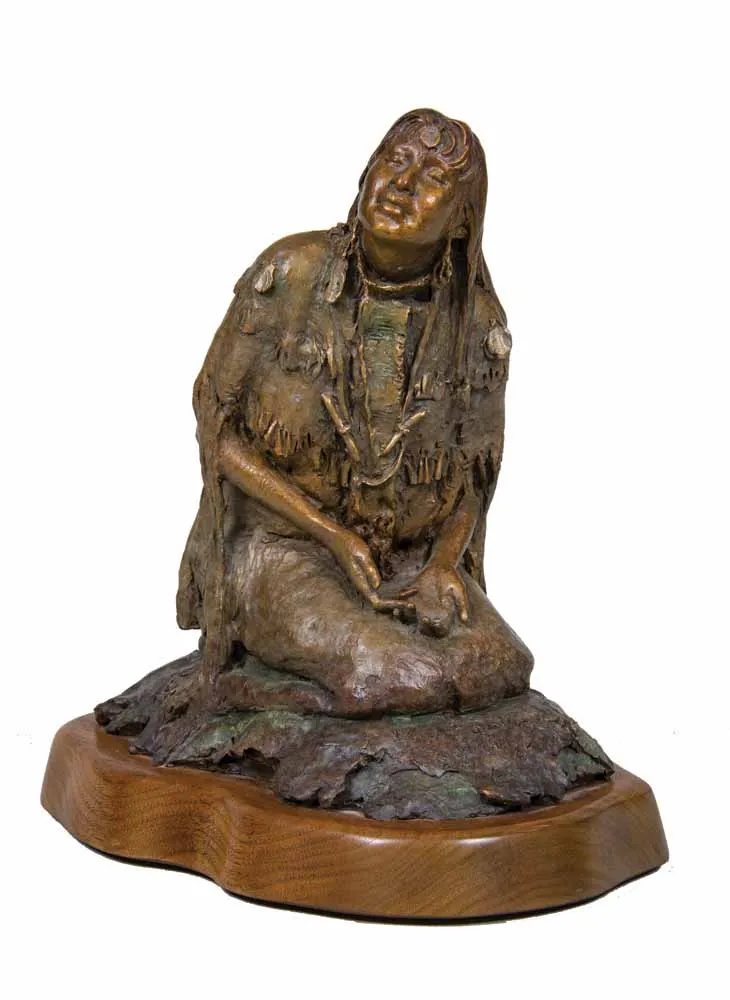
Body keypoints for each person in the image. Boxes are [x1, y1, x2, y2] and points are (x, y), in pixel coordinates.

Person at [176, 109, 533, 718]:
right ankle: (250, 697)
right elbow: (216, 428)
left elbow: (474, 476)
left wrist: (442, 565)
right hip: (281, 545)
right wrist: (334, 537)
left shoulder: (474, 322)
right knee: (397, 678)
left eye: (434, 180)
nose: (402, 185)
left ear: (460, 220)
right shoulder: (289, 274)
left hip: (407, 559)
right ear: (367, 173)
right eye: (394, 162)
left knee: (500, 667)